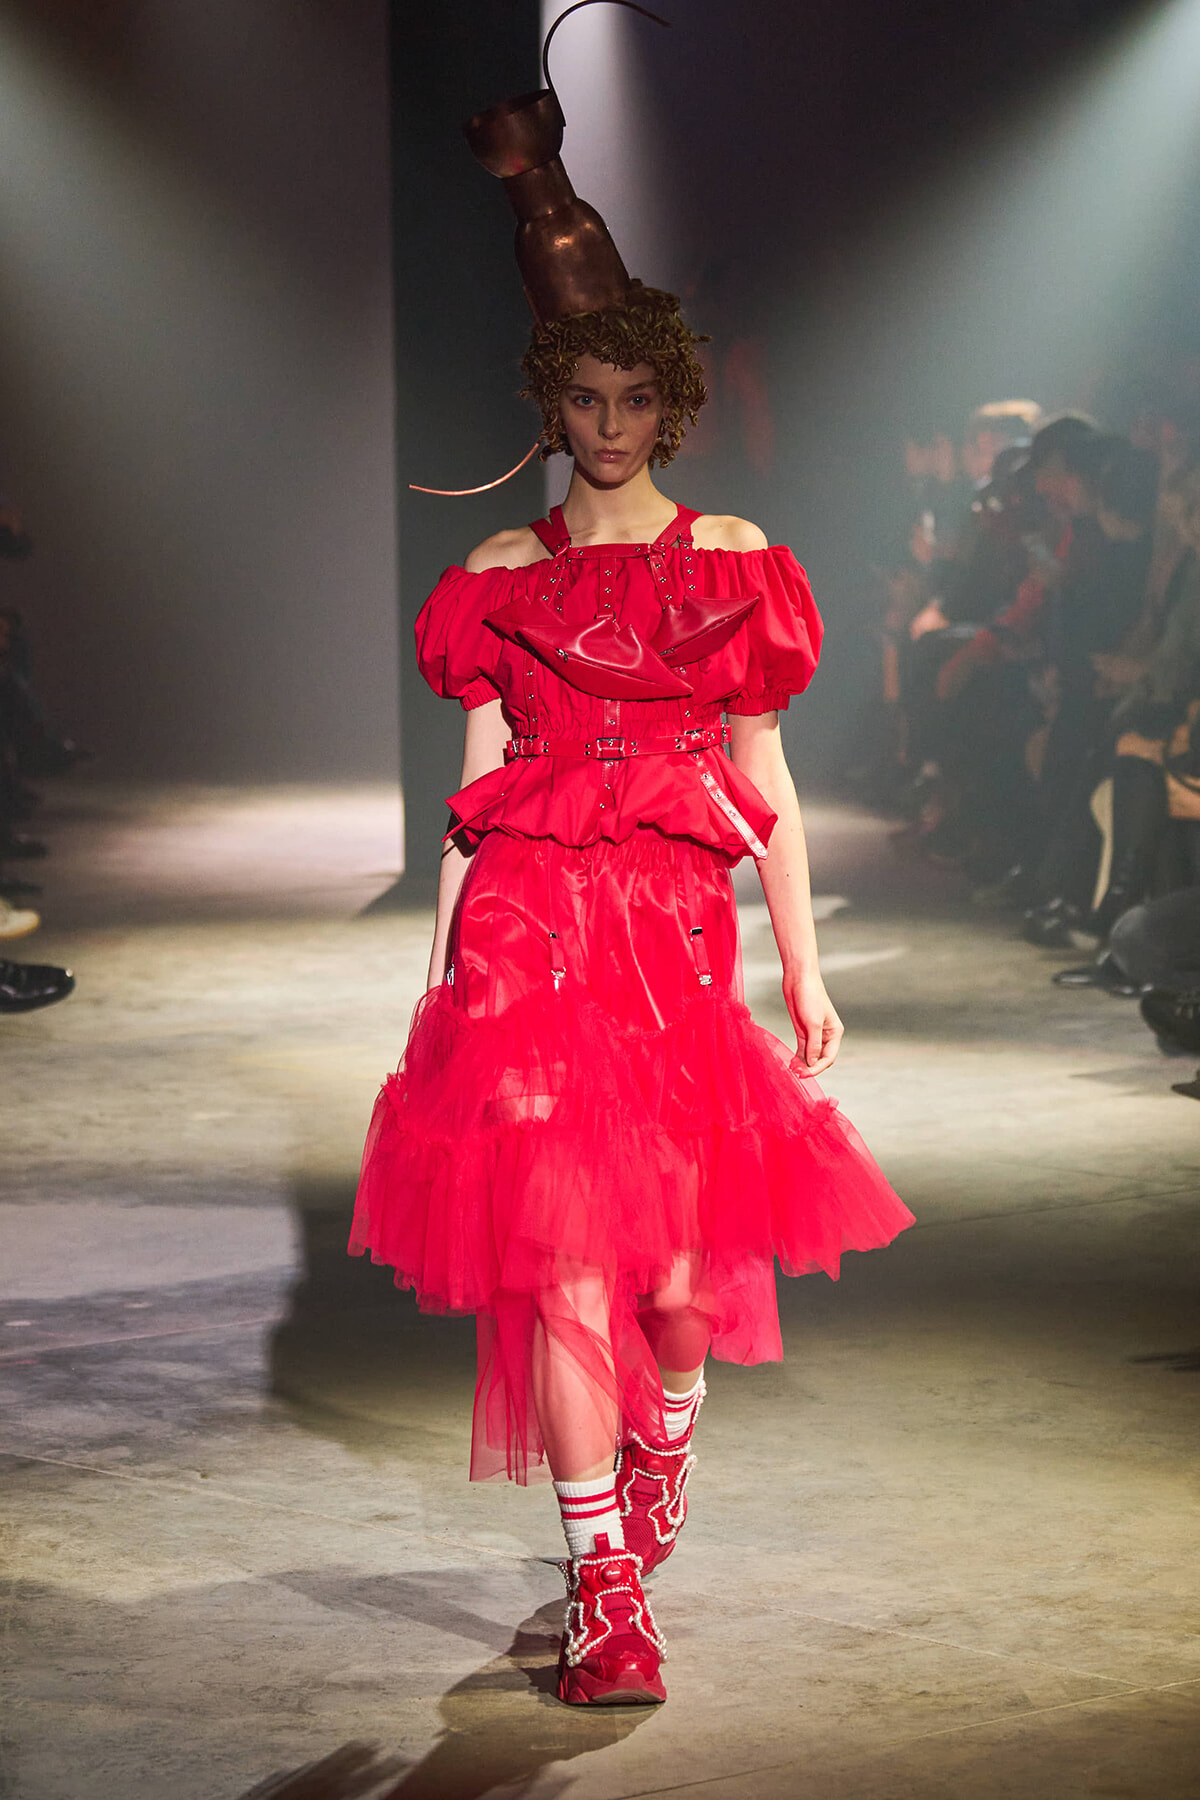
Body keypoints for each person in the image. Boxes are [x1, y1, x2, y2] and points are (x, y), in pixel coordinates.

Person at [350, 42, 913, 1711]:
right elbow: (471, 800)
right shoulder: (497, 577)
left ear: (670, 397)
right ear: (550, 406)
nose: (606, 430)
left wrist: (804, 975)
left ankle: (661, 1453)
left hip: (672, 944)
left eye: (631, 401)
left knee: (677, 1294)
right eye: (579, 404)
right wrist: (443, 976)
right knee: (565, 1265)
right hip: (528, 936)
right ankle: (606, 1585)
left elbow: (773, 787)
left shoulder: (733, 569)